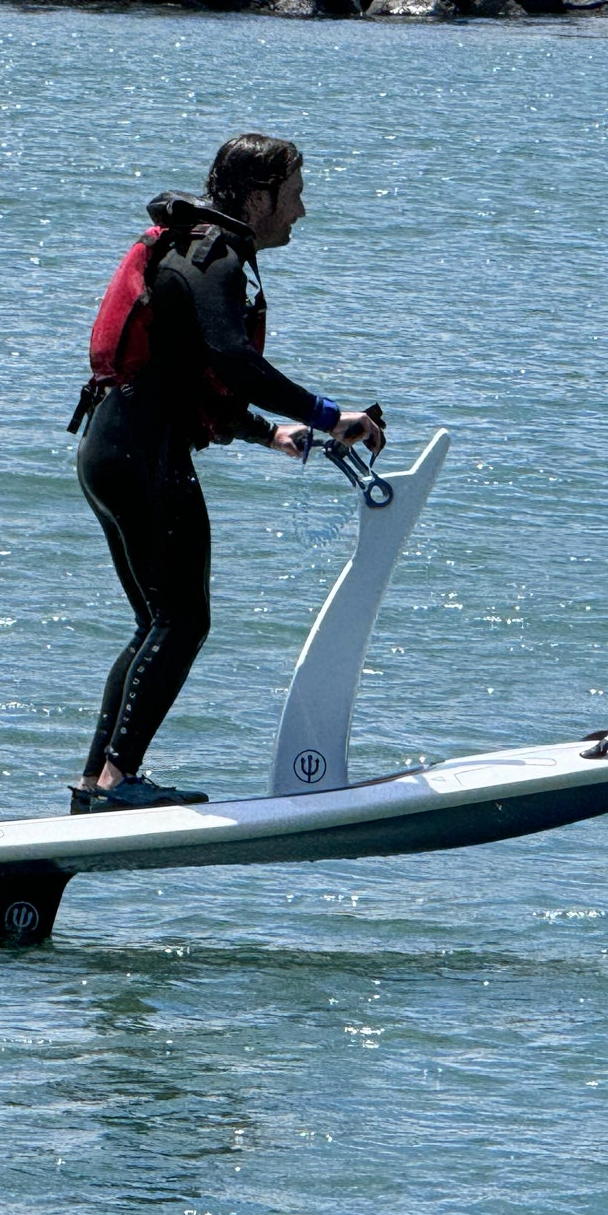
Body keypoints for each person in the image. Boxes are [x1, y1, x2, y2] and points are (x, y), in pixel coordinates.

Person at [70, 134, 385, 813]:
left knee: (159, 621)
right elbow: (233, 361)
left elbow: (189, 377)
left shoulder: (190, 249)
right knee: (182, 621)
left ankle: (98, 782)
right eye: (294, 194)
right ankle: (116, 780)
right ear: (257, 194)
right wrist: (331, 415)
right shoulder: (216, 259)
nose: (301, 211)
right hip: (144, 456)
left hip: (111, 447)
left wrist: (272, 433)